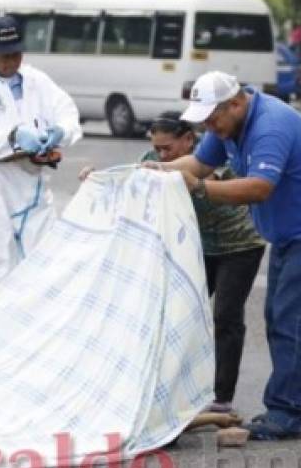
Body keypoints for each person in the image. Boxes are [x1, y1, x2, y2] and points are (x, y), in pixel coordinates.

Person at [150, 71, 301, 441]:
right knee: (281, 316)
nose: (210, 127)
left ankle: (284, 413)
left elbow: (259, 188)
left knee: (290, 319)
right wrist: (152, 172)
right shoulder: (227, 126)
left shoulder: (270, 126)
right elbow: (197, 165)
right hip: (293, 232)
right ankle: (299, 400)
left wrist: (200, 189)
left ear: (236, 103)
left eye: (213, 117)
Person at [81, 112, 266, 414]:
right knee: (177, 315)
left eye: (168, 149)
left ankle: (222, 397)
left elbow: (224, 187)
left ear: (189, 140)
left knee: (226, 317)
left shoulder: (214, 158)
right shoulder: (154, 159)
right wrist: (97, 177)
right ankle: (170, 389)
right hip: (194, 246)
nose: (162, 155)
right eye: (158, 148)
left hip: (239, 245)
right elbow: (131, 180)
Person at [0, 15, 82, 296]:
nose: (12, 62)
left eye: (16, 54)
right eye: (4, 56)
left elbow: (68, 113)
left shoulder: (37, 80)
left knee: (45, 265)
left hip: (32, 180)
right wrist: (12, 137)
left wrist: (60, 131)